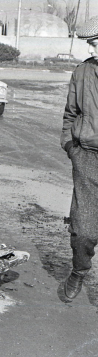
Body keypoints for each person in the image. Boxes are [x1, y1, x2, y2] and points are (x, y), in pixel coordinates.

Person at [58, 16, 98, 302]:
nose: (93, 51)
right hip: (87, 157)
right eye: (91, 45)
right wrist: (69, 144)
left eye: (96, 45)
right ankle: (79, 271)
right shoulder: (82, 73)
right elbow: (70, 113)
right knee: (84, 229)